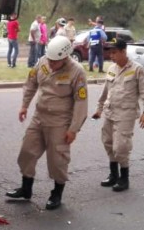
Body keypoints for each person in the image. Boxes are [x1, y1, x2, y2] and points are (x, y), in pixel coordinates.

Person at [6, 36, 88, 210]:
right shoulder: (43, 62)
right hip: (39, 117)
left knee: (57, 160)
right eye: (49, 59)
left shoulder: (77, 71)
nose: (51, 64)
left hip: (60, 121)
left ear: (66, 57)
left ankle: (57, 194)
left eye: (55, 62)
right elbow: (31, 83)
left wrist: (74, 129)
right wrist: (24, 106)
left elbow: (81, 102)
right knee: (27, 151)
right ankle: (26, 189)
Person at [91, 38, 144, 192]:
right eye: (109, 52)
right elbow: (106, 91)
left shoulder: (137, 69)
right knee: (107, 142)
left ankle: (124, 178)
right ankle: (113, 175)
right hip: (109, 111)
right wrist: (99, 109)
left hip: (126, 113)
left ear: (123, 52)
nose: (111, 56)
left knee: (120, 147)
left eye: (114, 52)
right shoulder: (111, 68)